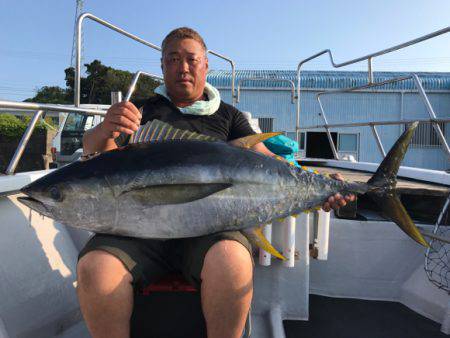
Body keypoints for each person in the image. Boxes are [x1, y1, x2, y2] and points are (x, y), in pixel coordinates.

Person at [77, 27, 354, 338]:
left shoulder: (228, 116)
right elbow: (103, 163)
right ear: (162, 66)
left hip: (212, 229)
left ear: (205, 65)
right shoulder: (139, 112)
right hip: (137, 229)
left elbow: (268, 164)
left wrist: (322, 186)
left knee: (232, 262)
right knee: (95, 268)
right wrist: (105, 130)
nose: (182, 67)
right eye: (173, 59)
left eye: (191, 59)